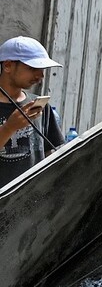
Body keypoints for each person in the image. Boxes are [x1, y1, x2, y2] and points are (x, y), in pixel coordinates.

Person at [0, 36, 64, 187]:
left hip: (33, 201)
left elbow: (49, 153)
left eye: (42, 69)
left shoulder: (39, 105)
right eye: (32, 68)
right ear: (8, 65)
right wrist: (9, 128)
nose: (40, 75)